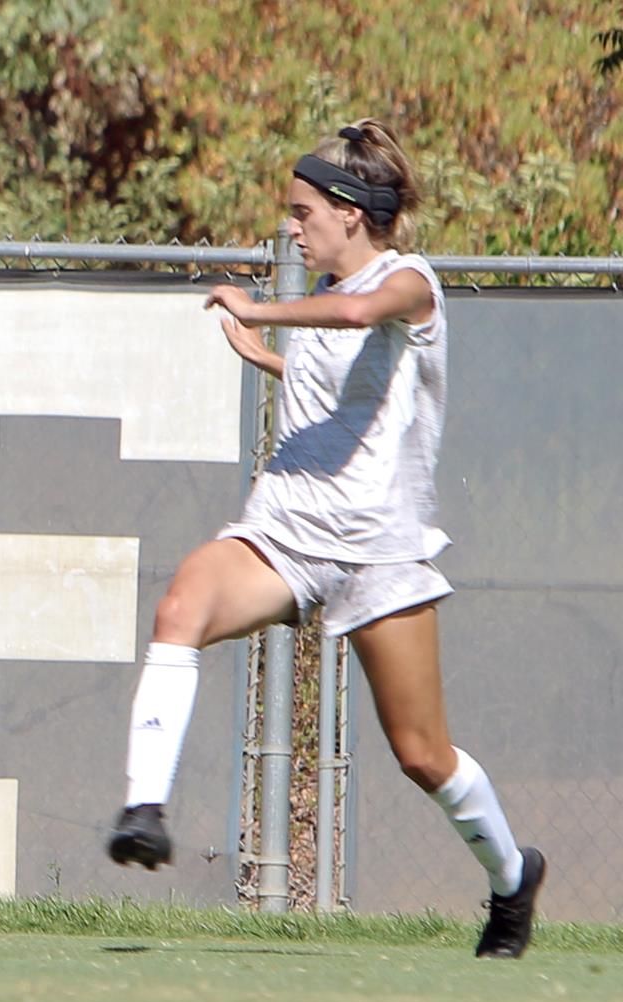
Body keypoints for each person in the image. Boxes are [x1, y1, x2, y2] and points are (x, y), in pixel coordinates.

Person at [106, 120, 545, 958]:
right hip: (286, 528)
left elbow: (355, 315)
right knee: (180, 606)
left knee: (422, 754)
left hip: (379, 549)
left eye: (303, 211)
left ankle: (512, 877)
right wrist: (268, 356)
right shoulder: (319, 292)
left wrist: (256, 306)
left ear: (351, 212)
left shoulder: (407, 281)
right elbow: (346, 380)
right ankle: (144, 810)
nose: (293, 225)